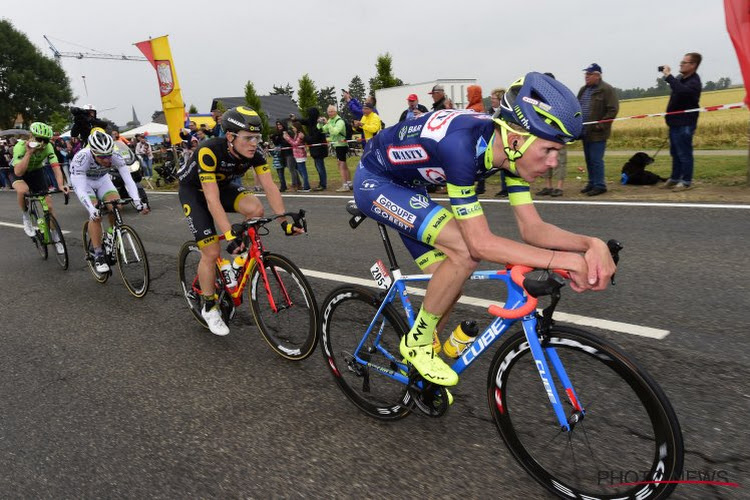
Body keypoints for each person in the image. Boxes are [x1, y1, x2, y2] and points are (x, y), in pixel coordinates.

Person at [352, 72, 615, 386]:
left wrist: (589, 245)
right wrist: (564, 260)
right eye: (548, 150)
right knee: (463, 253)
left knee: (450, 280)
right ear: (517, 139)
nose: (554, 162)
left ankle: (419, 377)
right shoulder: (461, 145)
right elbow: (479, 244)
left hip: (411, 185)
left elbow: (533, 229)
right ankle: (416, 345)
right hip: (377, 181)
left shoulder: (509, 154)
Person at [177, 106, 303, 336]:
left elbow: (269, 186)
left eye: (257, 137)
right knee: (212, 252)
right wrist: (229, 235)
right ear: (230, 137)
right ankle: (208, 306)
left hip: (223, 187)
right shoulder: (209, 151)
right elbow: (211, 199)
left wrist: (284, 220)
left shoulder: (255, 153)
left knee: (255, 209)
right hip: (195, 192)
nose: (254, 143)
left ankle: (238, 262)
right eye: (248, 138)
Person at [69, 130, 149, 273]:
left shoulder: (115, 155)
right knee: (96, 213)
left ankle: (111, 233)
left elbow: (128, 180)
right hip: (84, 182)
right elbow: (80, 189)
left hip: (102, 180)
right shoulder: (82, 158)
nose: (107, 160)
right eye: (102, 157)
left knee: (117, 205)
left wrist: (137, 201)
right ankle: (98, 253)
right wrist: (91, 210)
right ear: (93, 152)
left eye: (109, 155)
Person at [10, 122, 69, 242]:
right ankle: (26, 215)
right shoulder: (20, 146)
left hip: (36, 172)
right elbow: (18, 172)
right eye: (39, 139)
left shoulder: (48, 147)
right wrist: (29, 153)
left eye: (46, 140)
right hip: (19, 171)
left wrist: (61, 185)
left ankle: (55, 236)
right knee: (23, 190)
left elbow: (56, 167)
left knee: (49, 206)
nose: (42, 143)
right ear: (31, 136)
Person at [660, 52, 702, 191]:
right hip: (675, 122)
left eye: (684, 62)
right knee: (675, 153)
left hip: (685, 123)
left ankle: (686, 181)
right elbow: (676, 90)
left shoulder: (694, 82)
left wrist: (668, 76)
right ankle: (675, 178)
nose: (681, 64)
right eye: (681, 62)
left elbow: (682, 91)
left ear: (693, 65)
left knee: (684, 153)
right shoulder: (681, 78)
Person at [577, 63, 619, 196]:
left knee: (596, 159)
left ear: (597, 75)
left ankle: (600, 185)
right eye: (586, 74)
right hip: (585, 131)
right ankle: (592, 182)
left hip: (598, 132)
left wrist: (600, 125)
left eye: (589, 74)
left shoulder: (606, 89)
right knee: (589, 159)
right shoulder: (583, 90)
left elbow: (613, 109)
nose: (586, 77)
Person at [536, 73, 567, 197]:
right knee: (545, 159)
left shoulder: (559, 97)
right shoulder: (541, 97)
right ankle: (548, 186)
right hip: (545, 132)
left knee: (560, 160)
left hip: (558, 133)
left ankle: (559, 187)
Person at [319, 105, 351, 192]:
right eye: (329, 112)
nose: (330, 113)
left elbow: (335, 132)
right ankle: (349, 183)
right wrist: (320, 123)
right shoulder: (330, 120)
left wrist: (328, 124)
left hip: (341, 144)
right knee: (342, 164)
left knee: (341, 164)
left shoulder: (339, 121)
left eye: (332, 111)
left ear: (336, 112)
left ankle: (345, 185)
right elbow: (323, 130)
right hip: (337, 145)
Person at [297, 107, 329, 191]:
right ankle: (322, 183)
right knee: (318, 166)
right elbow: (304, 121)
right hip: (315, 150)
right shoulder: (311, 122)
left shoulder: (318, 124)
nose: (308, 117)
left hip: (319, 149)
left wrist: (304, 137)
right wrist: (295, 118)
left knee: (320, 167)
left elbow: (314, 139)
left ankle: (323, 184)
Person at [283, 121, 311, 192]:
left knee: (303, 171)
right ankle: (306, 185)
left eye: (293, 128)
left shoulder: (300, 135)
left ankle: (307, 187)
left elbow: (295, 144)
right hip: (297, 155)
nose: (293, 129)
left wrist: (287, 138)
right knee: (301, 170)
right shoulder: (296, 134)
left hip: (300, 155)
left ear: (297, 127)